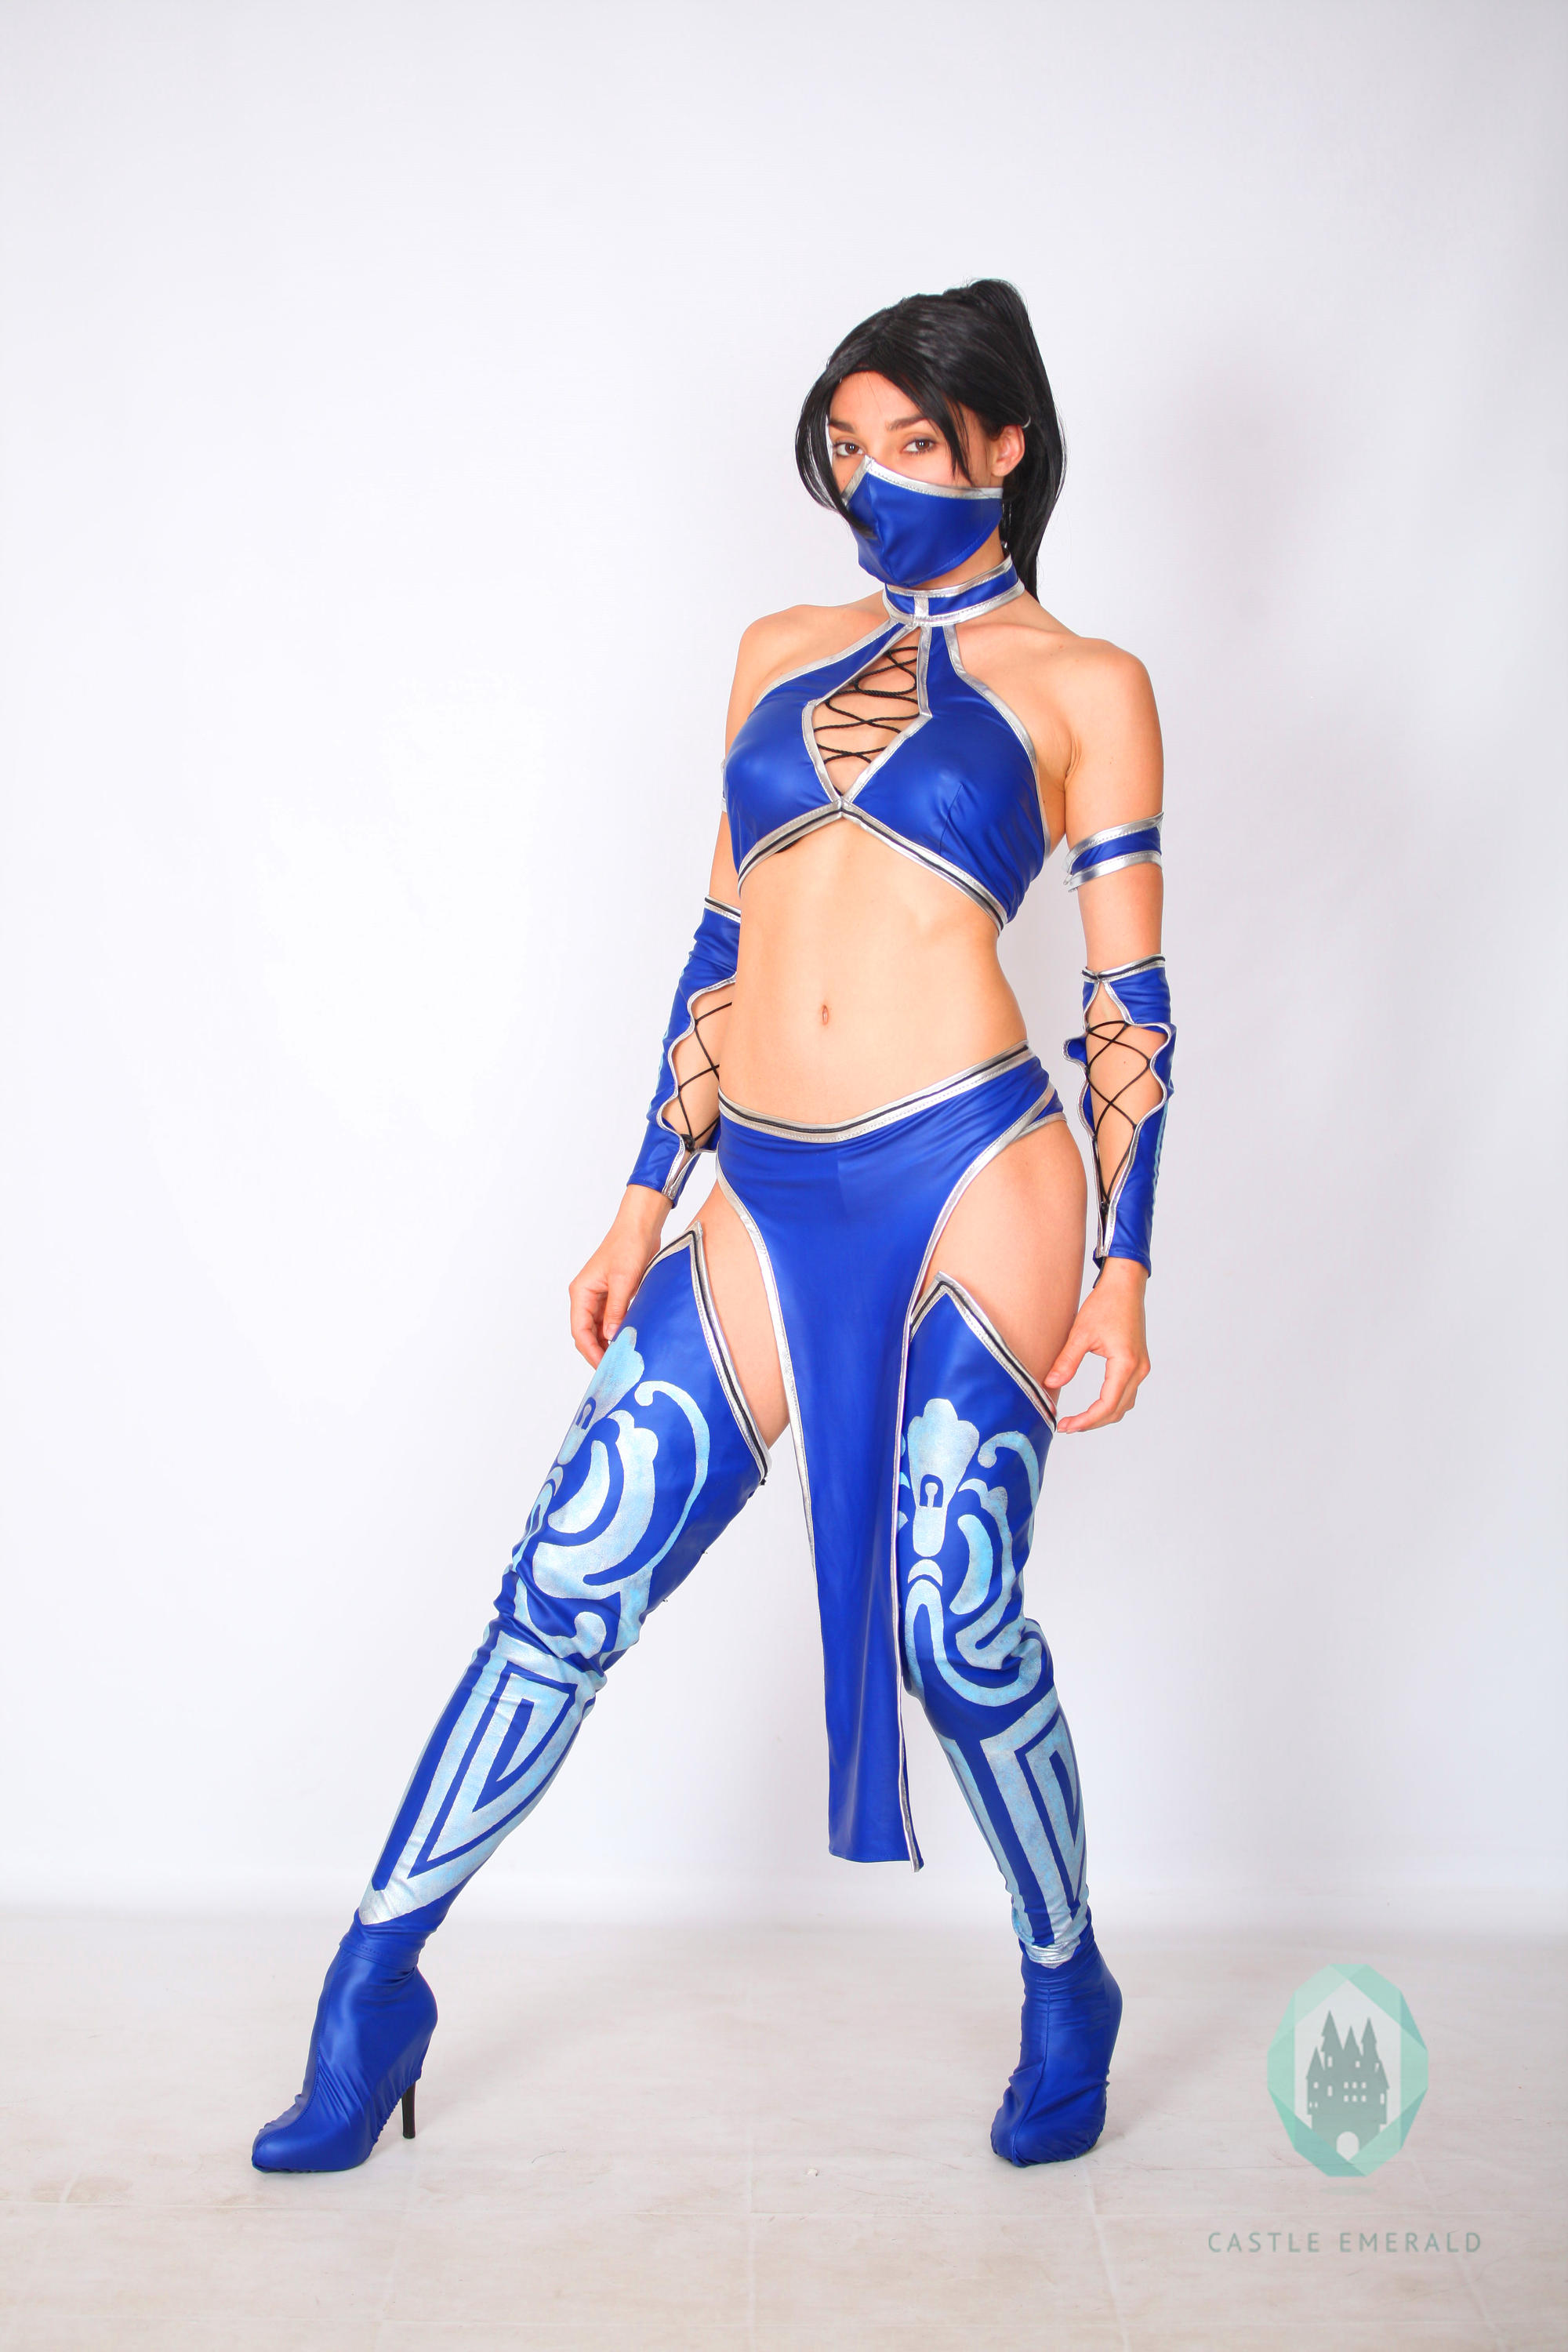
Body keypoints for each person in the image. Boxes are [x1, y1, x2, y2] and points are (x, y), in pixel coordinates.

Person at [252, 278, 1174, 2176]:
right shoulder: (771, 649)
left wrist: (1127, 1271)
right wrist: (634, 1200)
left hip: (973, 1175)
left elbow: (1126, 1004)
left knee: (953, 1629)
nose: (870, 480)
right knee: (567, 1579)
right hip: (755, 1184)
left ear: (1003, 444)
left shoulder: (1088, 685)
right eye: (845, 448)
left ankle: (1064, 1974)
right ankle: (373, 1982)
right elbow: (722, 939)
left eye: (911, 442)